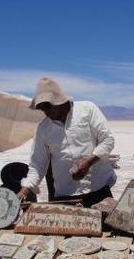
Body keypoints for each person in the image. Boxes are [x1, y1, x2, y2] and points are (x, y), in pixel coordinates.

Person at [17, 77, 116, 208]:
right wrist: (25, 190)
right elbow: (37, 164)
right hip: (65, 195)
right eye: (42, 109)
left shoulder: (87, 110)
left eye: (48, 107)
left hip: (98, 189)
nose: (46, 113)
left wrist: (88, 162)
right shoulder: (43, 128)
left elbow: (107, 140)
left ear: (60, 102)